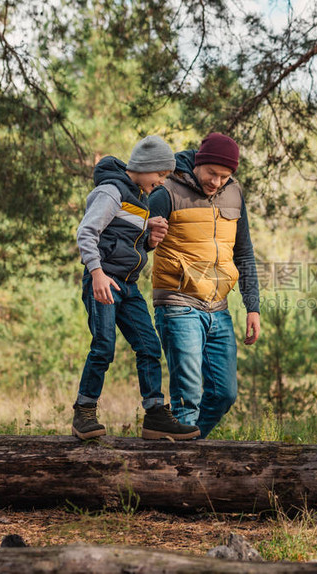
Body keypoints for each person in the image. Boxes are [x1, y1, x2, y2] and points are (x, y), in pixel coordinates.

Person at [73, 135, 200, 441]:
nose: (162, 181)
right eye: (160, 175)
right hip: (103, 282)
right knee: (103, 346)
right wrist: (98, 273)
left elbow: (125, 242)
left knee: (149, 346)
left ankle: (155, 415)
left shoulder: (139, 198)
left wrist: (149, 240)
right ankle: (84, 412)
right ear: (146, 166)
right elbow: (87, 233)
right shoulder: (111, 191)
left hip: (128, 286)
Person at [149, 132, 261, 439]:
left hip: (219, 308)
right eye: (212, 173)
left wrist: (253, 307)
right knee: (188, 398)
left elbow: (244, 252)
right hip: (177, 303)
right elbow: (135, 232)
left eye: (224, 176)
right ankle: (182, 471)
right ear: (199, 163)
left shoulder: (235, 193)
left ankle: (183, 449)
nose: (216, 182)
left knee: (224, 394)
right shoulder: (168, 190)